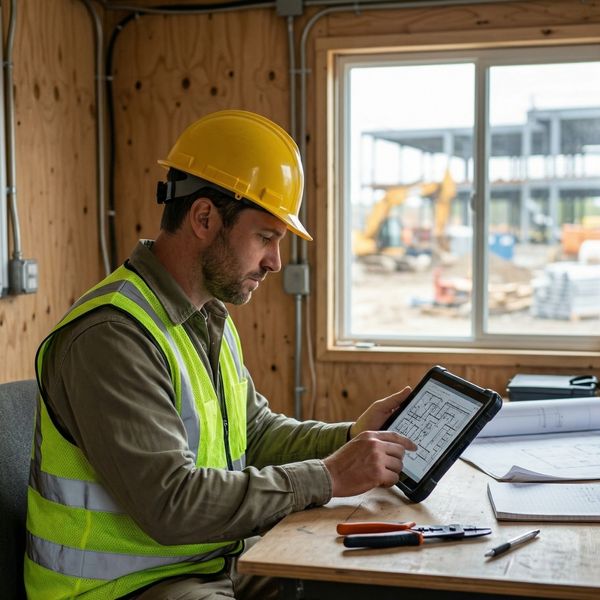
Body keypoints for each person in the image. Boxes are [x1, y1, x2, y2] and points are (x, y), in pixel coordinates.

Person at [24, 110, 416, 599]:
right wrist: (329, 476)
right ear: (205, 218)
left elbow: (253, 432)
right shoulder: (113, 335)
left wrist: (351, 436)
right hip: (122, 588)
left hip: (212, 559)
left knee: (356, 576)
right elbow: (172, 503)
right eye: (266, 238)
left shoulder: (207, 316)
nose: (275, 261)